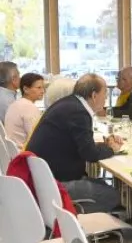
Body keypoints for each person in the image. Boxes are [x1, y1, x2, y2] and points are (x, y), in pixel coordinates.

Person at [27, 74, 123, 213]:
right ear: (94, 95)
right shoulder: (79, 112)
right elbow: (89, 154)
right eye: (105, 94)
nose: (106, 99)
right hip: (55, 183)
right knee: (113, 196)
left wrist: (106, 145)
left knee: (101, 184)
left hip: (43, 177)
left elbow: (83, 146)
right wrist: (112, 150)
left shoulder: (69, 103)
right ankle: (68, 217)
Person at [4, 73, 43, 148]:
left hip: (13, 151)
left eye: (43, 88)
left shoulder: (15, 104)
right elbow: (36, 137)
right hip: (24, 154)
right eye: (39, 88)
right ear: (26, 89)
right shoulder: (29, 107)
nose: (42, 91)